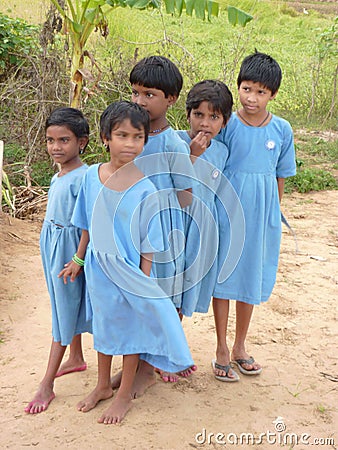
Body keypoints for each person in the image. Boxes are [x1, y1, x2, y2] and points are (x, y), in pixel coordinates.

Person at [65, 101, 194, 424]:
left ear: (145, 141)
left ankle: (123, 394)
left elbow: (149, 243)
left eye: (138, 137)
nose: (130, 144)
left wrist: (143, 281)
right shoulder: (91, 178)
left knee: (133, 330)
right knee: (105, 326)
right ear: (105, 138)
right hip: (98, 268)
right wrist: (78, 260)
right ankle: (102, 386)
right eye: (122, 135)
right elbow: (86, 225)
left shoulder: (145, 188)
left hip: (131, 272)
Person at [212, 51, 296, 381]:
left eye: (261, 92)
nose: (252, 98)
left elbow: (280, 176)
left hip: (262, 217)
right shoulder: (228, 124)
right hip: (227, 211)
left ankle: (240, 346)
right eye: (247, 89)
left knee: (250, 277)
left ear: (273, 94)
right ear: (238, 87)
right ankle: (220, 347)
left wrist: (273, 215)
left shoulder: (282, 129)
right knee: (224, 276)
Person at [129, 55, 197, 382]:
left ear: (170, 99)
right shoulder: (129, 136)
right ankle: (135, 365)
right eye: (135, 93)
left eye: (149, 94)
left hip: (164, 233)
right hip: (132, 230)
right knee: (136, 296)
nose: (140, 101)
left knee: (161, 295)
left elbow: (186, 195)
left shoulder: (172, 143)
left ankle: (148, 368)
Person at [25, 107, 92, 414]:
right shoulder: (59, 174)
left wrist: (78, 259)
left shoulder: (85, 177)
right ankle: (76, 357)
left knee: (63, 311)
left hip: (70, 250)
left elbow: (88, 223)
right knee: (61, 302)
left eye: (64, 140)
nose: (55, 147)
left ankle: (47, 384)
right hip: (52, 244)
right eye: (51, 140)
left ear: (82, 142)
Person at [176, 80, 233, 317]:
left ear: (225, 122)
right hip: (177, 223)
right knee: (170, 286)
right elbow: (170, 181)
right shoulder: (176, 142)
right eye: (198, 114)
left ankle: (168, 349)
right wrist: (191, 154)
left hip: (202, 230)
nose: (205, 123)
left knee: (186, 291)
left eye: (214, 117)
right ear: (187, 114)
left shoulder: (221, 152)